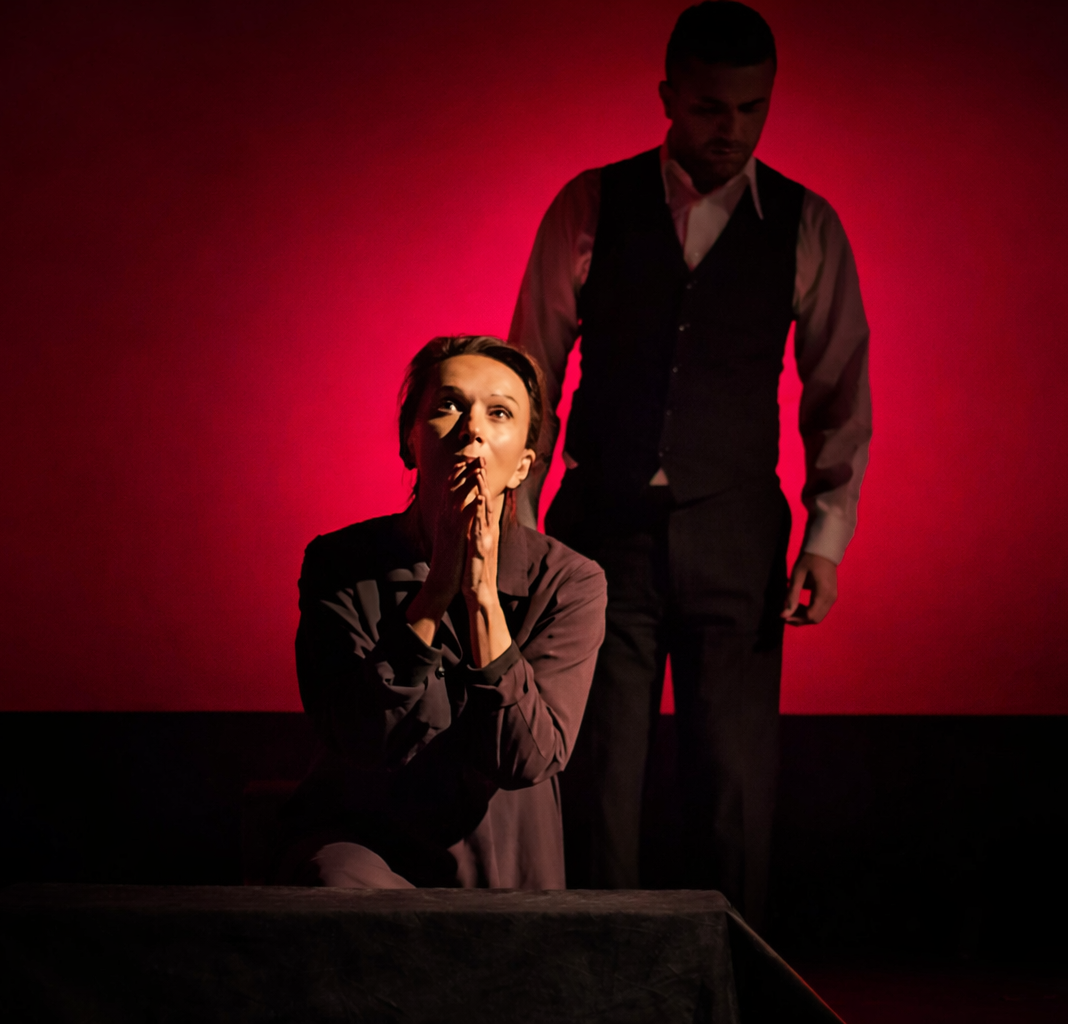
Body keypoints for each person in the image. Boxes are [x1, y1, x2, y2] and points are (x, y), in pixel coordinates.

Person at [508, 2, 872, 926]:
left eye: (753, 108)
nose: (732, 129)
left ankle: (732, 977)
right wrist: (515, 525)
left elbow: (839, 389)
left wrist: (827, 538)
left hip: (736, 529)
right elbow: (531, 376)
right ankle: (593, 975)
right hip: (602, 532)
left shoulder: (805, 223)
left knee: (734, 785)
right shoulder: (592, 203)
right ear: (668, 96)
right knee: (595, 777)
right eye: (711, 107)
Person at [278, 335, 607, 889]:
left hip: (502, 858)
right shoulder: (340, 562)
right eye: (450, 405)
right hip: (363, 842)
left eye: (499, 412)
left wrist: (480, 595)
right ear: (409, 443)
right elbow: (362, 735)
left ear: (524, 465)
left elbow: (528, 758)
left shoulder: (570, 581)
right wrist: (434, 593)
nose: (472, 427)